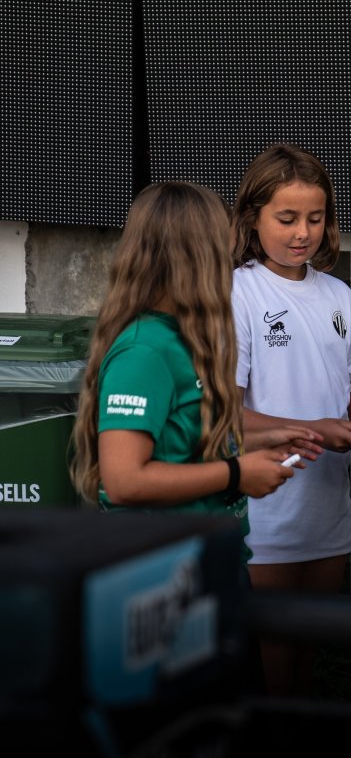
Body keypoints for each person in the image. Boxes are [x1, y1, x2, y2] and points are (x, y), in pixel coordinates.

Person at [70, 181, 323, 579]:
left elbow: (181, 443)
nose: (230, 264)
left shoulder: (182, 336)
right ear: (194, 258)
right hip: (166, 574)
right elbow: (123, 480)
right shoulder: (144, 352)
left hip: (208, 559)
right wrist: (239, 473)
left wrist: (259, 440)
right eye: (223, 253)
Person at [230, 141, 351, 697]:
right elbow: (226, 415)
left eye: (315, 218)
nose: (303, 232)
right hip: (265, 509)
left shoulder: (341, 297)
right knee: (272, 653)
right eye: (287, 218)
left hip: (326, 506)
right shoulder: (238, 293)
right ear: (252, 217)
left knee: (310, 651)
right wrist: (311, 431)